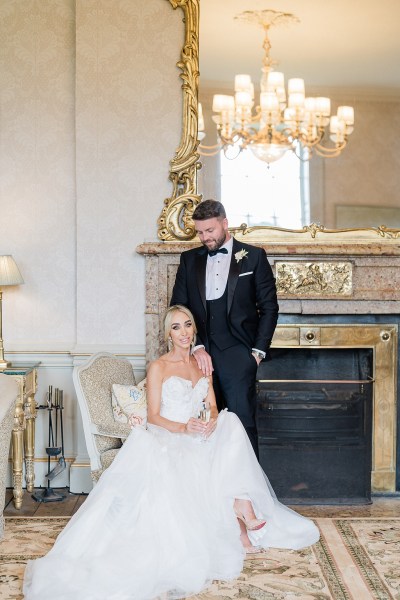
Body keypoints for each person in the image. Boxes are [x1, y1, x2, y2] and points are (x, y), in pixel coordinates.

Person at [23, 306, 319, 600]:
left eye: (188, 325)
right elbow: (153, 417)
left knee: (230, 421)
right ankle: (242, 518)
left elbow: (213, 405)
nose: (184, 332)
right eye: (176, 327)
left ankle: (243, 509)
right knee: (212, 453)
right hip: (170, 436)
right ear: (168, 334)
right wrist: (185, 428)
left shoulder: (201, 363)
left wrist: (210, 421)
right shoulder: (158, 367)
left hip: (198, 433)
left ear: (194, 330)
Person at [171, 199, 279, 456]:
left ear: (225, 223)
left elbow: (269, 308)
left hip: (239, 354)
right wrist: (195, 346)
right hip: (199, 355)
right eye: (199, 232)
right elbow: (178, 306)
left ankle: (246, 492)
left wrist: (256, 353)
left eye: (210, 231)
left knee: (241, 424)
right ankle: (211, 490)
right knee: (202, 422)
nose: (205, 237)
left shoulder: (253, 257)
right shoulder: (188, 260)